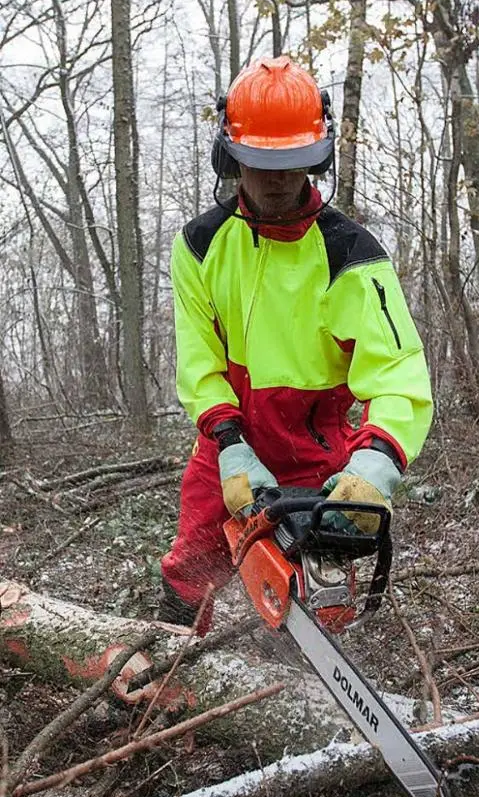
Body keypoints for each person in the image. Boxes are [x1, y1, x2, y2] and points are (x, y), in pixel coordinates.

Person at [159, 55, 433, 634]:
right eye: (263, 163)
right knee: (190, 568)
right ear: (230, 155)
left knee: (322, 590)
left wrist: (378, 461)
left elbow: (399, 374)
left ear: (319, 156)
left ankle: (314, 691)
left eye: (296, 163)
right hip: (227, 444)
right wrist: (229, 442)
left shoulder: (350, 255)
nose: (280, 178)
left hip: (317, 449)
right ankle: (173, 668)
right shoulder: (201, 246)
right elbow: (199, 361)